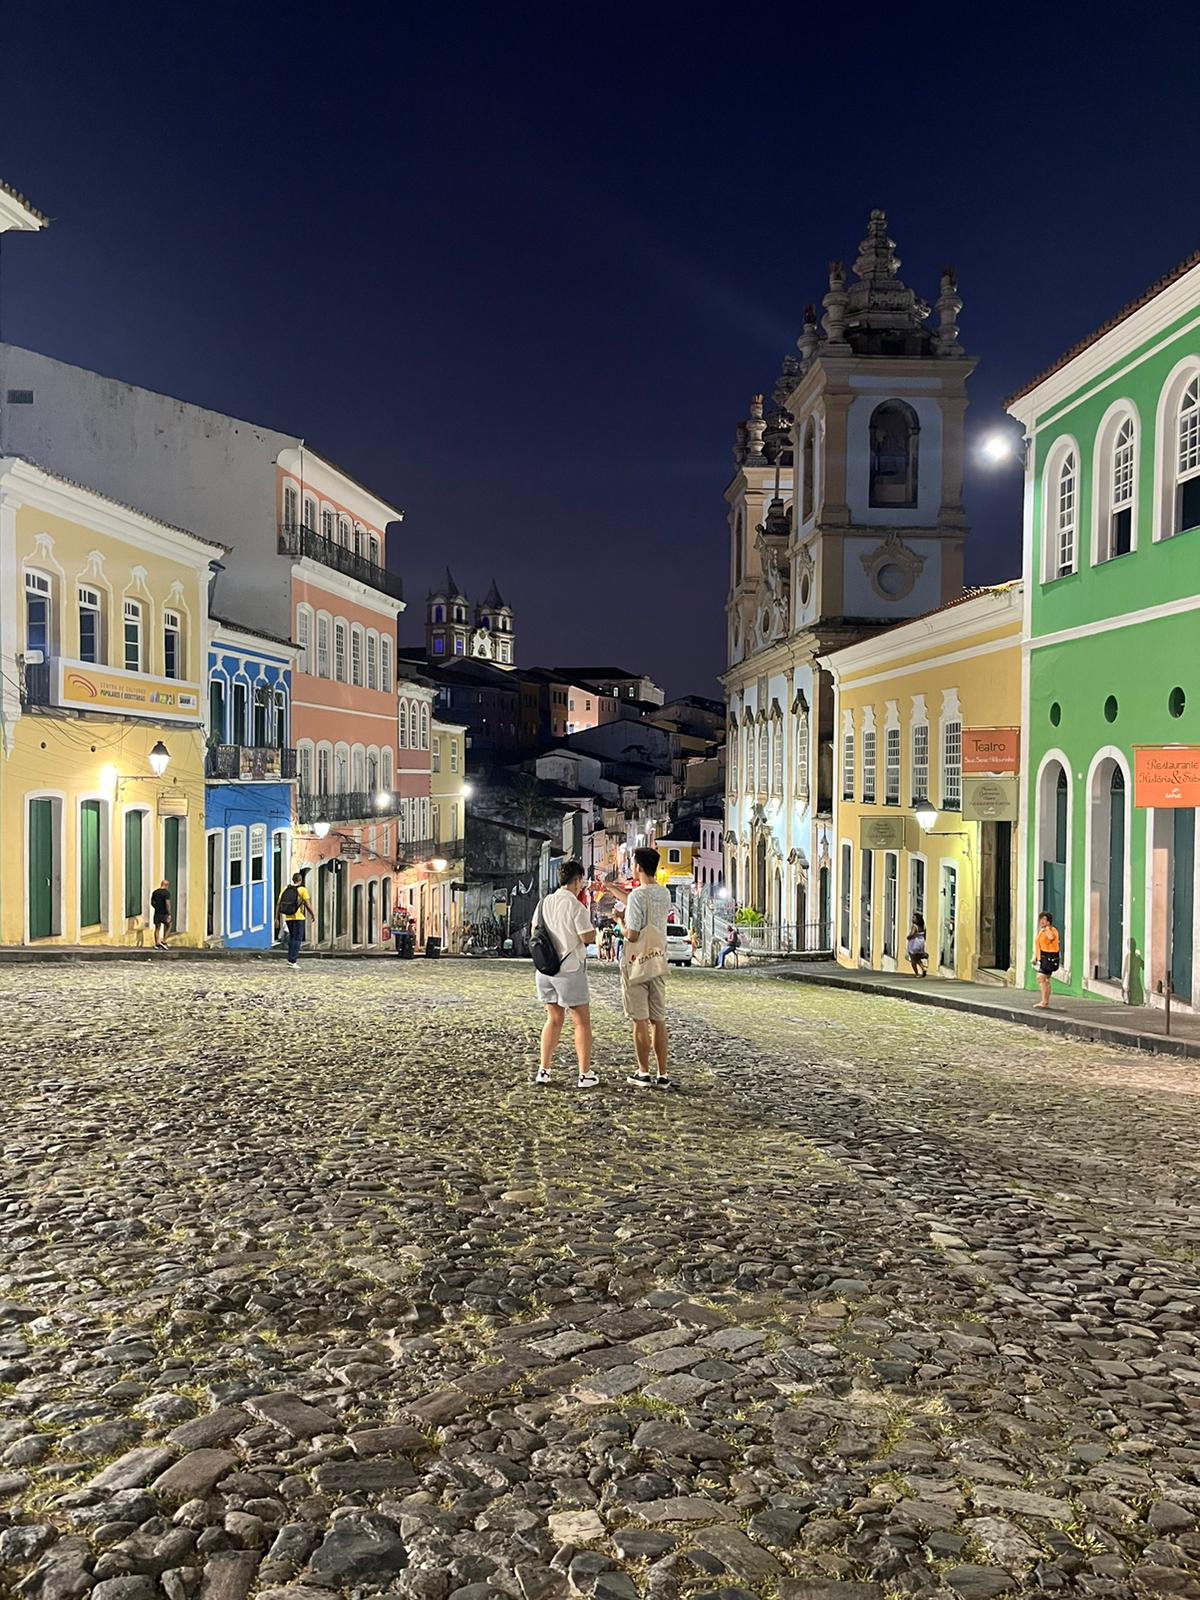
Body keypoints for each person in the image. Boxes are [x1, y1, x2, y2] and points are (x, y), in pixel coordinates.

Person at [609, 847, 673, 1089]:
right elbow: (639, 901)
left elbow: (633, 934)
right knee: (658, 1019)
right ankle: (663, 1073)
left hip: (636, 962)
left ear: (638, 867)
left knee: (640, 1019)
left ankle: (643, 1071)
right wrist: (614, 890)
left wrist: (619, 922)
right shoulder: (663, 894)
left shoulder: (637, 896)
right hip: (657, 959)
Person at [533, 859, 598, 1090]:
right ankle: (584, 1074)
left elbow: (535, 931)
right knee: (581, 1022)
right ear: (577, 881)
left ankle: (544, 1070)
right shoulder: (575, 906)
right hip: (569, 970)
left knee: (553, 1019)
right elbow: (587, 937)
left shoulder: (543, 903)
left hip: (545, 970)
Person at [277, 872, 315, 967]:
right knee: (297, 939)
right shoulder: (302, 890)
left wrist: (276, 918)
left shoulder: (285, 889)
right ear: (300, 880)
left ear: (293, 879)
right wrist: (313, 914)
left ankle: (290, 958)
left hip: (288, 917)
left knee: (292, 938)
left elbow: (278, 904)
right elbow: (307, 904)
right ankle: (292, 961)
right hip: (299, 917)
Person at [1033, 910, 1060, 1009]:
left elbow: (1051, 937)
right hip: (1044, 958)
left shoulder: (1051, 930)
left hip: (1049, 958)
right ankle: (1045, 1001)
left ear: (1049, 921)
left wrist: (1047, 929)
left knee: (1041, 978)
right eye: (1041, 919)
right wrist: (1035, 957)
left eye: (1044, 920)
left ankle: (1044, 1002)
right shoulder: (1041, 931)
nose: (1042, 921)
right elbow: (1038, 945)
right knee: (1045, 979)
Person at [150, 879, 172, 950]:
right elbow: (167, 903)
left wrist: (156, 907)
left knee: (157, 928)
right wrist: (169, 913)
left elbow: (152, 902)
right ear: (166, 885)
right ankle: (164, 941)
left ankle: (157, 944)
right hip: (164, 913)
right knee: (169, 925)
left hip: (157, 912)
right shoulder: (166, 893)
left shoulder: (155, 892)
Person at [905, 912, 928, 977]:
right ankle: (923, 969)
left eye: (913, 918)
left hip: (914, 943)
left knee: (913, 959)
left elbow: (912, 934)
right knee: (917, 958)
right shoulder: (923, 926)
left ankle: (916, 973)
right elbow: (925, 934)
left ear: (917, 919)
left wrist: (908, 937)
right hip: (921, 942)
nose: (912, 919)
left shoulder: (914, 926)